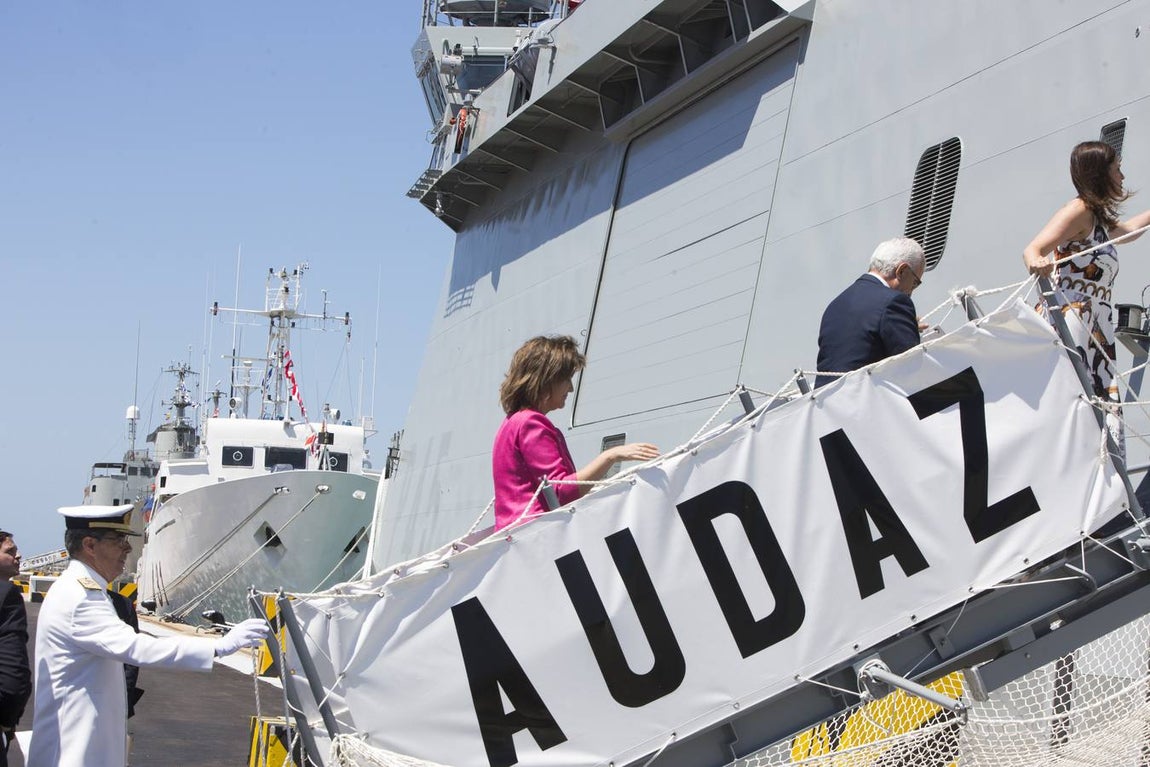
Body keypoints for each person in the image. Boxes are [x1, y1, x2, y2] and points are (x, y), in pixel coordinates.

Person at [26, 505, 268, 767]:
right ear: (90, 545)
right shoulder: (81, 596)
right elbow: (136, 647)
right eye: (118, 540)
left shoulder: (80, 589)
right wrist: (218, 646)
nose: (127, 549)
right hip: (74, 752)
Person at [1023, 140, 1150, 403]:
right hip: (1072, 316)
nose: (1122, 176)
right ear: (1100, 174)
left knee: (1094, 404)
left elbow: (1128, 232)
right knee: (1073, 397)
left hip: (1095, 323)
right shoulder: (1078, 210)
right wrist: (1037, 261)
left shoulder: (1097, 218)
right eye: (1117, 169)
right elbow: (1033, 249)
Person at [493, 336, 659, 531]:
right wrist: (610, 456)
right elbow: (560, 493)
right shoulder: (531, 423)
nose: (571, 389)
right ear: (547, 379)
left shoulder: (511, 423)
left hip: (515, 533)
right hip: (539, 535)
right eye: (566, 379)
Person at [815, 237, 926, 387]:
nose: (911, 292)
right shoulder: (894, 301)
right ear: (902, 271)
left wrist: (905, 326)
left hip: (827, 398)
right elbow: (911, 366)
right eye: (915, 283)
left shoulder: (834, 306)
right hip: (865, 397)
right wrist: (910, 332)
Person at [0, 531, 30, 767]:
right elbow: (13, 680)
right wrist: (7, 722)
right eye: (9, 551)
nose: (18, 555)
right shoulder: (6, 595)